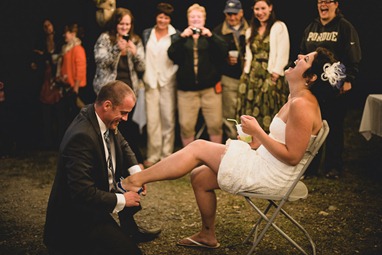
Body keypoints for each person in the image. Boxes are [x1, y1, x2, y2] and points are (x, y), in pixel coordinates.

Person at [120, 47, 345, 249]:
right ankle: (207, 235)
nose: (298, 57)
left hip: (271, 175)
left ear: (311, 77)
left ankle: (135, 181)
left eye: (305, 59)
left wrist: (258, 132)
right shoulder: (295, 98)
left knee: (198, 146)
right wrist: (253, 139)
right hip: (266, 162)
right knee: (199, 177)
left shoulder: (302, 105)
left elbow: (293, 156)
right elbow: (281, 144)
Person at [43, 81, 161, 255]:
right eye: (123, 113)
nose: (126, 118)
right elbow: (82, 193)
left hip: (93, 205)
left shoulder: (99, 115)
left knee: (128, 180)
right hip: (76, 220)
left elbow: (123, 144)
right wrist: (123, 200)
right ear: (107, 105)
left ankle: (129, 230)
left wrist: (138, 174)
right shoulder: (81, 137)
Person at [299, 0, 361, 179]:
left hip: (335, 89)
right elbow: (302, 53)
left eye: (327, 1)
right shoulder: (311, 28)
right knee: (312, 128)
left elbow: (354, 56)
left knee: (333, 126)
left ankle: (333, 167)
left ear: (336, 4)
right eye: (320, 2)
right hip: (313, 88)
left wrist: (349, 79)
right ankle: (310, 168)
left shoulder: (344, 26)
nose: (323, 5)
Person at [168, 3, 228, 147]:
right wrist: (182, 37)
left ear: (204, 19)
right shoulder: (180, 37)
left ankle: (215, 157)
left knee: (215, 124)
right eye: (192, 16)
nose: (196, 19)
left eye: (199, 16)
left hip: (210, 90)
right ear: (188, 19)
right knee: (186, 126)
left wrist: (211, 36)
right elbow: (172, 55)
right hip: (186, 91)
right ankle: (190, 160)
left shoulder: (211, 36)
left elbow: (223, 51)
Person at [93, 7, 146, 167]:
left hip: (129, 91)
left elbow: (142, 68)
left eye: (128, 24)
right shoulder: (105, 39)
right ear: (115, 24)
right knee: (110, 127)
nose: (125, 27)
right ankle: (112, 162)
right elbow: (100, 60)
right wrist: (117, 49)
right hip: (110, 91)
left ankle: (133, 162)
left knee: (128, 127)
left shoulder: (135, 40)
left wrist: (135, 53)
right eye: (122, 24)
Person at [236, 0, 290, 133]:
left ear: (270, 8)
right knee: (250, 111)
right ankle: (250, 145)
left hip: (270, 75)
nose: (260, 12)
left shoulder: (279, 26)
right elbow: (249, 54)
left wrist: (276, 74)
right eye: (256, 9)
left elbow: (283, 52)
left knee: (268, 110)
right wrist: (245, 72)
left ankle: (268, 145)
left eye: (263, 8)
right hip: (252, 75)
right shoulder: (250, 30)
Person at [141, 3, 179, 168]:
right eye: (160, 16)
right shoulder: (147, 33)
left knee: (168, 119)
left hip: (167, 81)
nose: (163, 20)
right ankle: (153, 154)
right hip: (150, 81)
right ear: (156, 17)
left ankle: (167, 155)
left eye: (166, 17)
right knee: (152, 119)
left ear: (170, 19)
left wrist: (169, 75)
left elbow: (179, 59)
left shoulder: (175, 35)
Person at [213, 0, 249, 140]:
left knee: (247, 111)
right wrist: (225, 60)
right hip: (228, 78)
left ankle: (249, 144)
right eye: (229, 14)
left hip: (249, 77)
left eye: (235, 14)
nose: (232, 18)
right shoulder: (217, 32)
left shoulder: (252, 28)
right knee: (229, 113)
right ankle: (233, 142)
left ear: (241, 13)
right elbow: (212, 58)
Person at [32, 19, 63, 149]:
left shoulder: (59, 40)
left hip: (58, 78)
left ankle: (59, 140)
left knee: (59, 111)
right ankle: (47, 142)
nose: (47, 28)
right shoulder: (40, 41)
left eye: (49, 25)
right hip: (46, 78)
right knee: (46, 110)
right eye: (44, 26)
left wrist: (45, 56)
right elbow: (37, 59)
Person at [55, 22, 87, 144]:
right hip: (66, 86)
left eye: (66, 33)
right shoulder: (66, 49)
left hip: (75, 88)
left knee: (75, 116)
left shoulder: (78, 48)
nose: (64, 35)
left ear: (73, 34)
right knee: (67, 116)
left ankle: (76, 141)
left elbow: (80, 68)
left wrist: (76, 88)